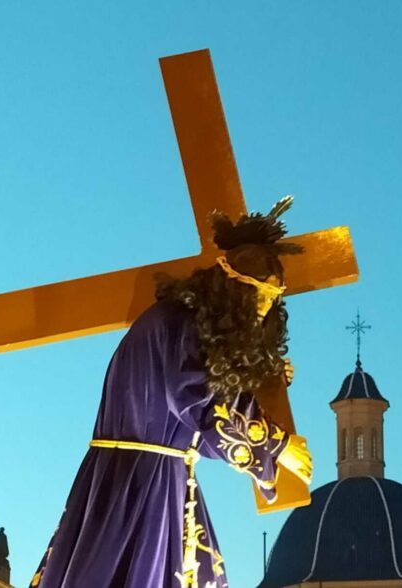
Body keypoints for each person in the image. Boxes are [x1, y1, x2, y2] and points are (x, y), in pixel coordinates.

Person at [31, 197, 313, 588]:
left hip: (157, 480)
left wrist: (265, 377)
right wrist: (277, 445)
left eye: (271, 301)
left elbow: (206, 408)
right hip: (138, 489)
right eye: (259, 298)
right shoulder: (178, 325)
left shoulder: (182, 323)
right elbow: (199, 403)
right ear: (233, 287)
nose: (262, 312)